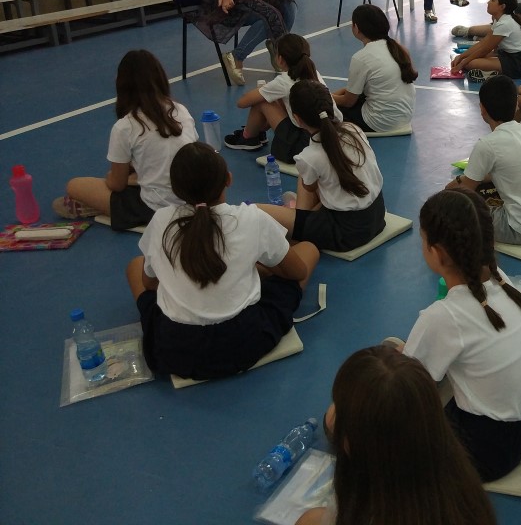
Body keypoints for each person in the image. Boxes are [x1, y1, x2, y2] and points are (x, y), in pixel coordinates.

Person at [125, 142, 319, 379]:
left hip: (177, 350)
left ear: (175, 189)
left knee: (135, 266)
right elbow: (297, 272)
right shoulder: (251, 218)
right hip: (245, 341)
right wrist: (259, 267)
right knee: (309, 250)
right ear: (228, 178)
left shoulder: (161, 221)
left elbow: (149, 284)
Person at [402, 189, 521, 482]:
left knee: (388, 416)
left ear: (436, 252)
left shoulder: (442, 317)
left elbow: (404, 391)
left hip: (486, 451)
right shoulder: (500, 279)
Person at [295, 346, 496, 525]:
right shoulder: (461, 487)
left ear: (353, 442)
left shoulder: (363, 508)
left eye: (341, 407)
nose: (332, 415)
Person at [54, 50, 198, 228]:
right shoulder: (180, 110)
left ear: (121, 84)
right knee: (134, 171)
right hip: (191, 197)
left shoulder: (125, 126)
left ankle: (104, 207)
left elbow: (117, 184)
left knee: (74, 186)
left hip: (155, 207)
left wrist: (111, 177)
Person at [258, 80, 386, 253]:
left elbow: (310, 188)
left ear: (297, 119)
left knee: (255, 210)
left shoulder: (309, 157)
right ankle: (302, 220)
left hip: (346, 233)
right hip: (376, 215)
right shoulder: (353, 129)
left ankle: (300, 226)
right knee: (315, 174)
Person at [448, 75, 521, 245]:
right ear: (516, 105)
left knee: (457, 207)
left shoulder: (487, 145)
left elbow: (463, 191)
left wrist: (451, 187)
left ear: (482, 109)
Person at [223, 33, 331, 161]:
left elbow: (241, 102)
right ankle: (258, 132)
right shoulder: (313, 73)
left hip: (302, 145)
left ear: (280, 59)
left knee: (262, 101)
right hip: (328, 135)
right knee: (277, 98)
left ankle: (248, 137)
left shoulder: (284, 80)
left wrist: (263, 90)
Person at [333, 4, 417, 133]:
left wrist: (328, 98)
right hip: (404, 117)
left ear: (356, 28)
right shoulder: (398, 48)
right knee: (351, 92)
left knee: (330, 110)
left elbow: (348, 102)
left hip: (380, 122)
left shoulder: (361, 57)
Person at [450, 0, 521, 81]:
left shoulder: (505, 24)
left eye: (493, 0)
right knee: (468, 60)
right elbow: (483, 43)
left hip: (519, 62)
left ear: (502, 6)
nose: (488, 2)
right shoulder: (500, 20)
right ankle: (492, 71)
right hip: (508, 55)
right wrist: (461, 56)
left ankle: (493, 74)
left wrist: (462, 63)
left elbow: (485, 49)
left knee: (470, 64)